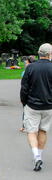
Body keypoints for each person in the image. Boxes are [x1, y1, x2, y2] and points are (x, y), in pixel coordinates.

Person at [20, 43, 52, 172]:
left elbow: (24, 87)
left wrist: (24, 102)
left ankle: (36, 156)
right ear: (50, 54)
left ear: (39, 53)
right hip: (49, 105)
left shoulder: (30, 68)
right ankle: (39, 155)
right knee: (43, 131)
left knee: (31, 132)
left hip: (32, 105)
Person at [20, 56, 36, 132]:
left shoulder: (26, 71)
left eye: (26, 63)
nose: (25, 64)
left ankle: (25, 126)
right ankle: (25, 126)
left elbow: (23, 85)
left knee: (26, 111)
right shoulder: (35, 69)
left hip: (28, 94)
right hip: (32, 94)